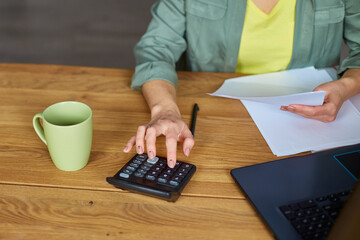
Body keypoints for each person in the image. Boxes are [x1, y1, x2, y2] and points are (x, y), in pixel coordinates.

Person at [123, 0, 360, 168]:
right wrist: (165, 109)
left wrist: (347, 85)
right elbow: (155, 49)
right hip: (215, 122)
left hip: (310, 128)